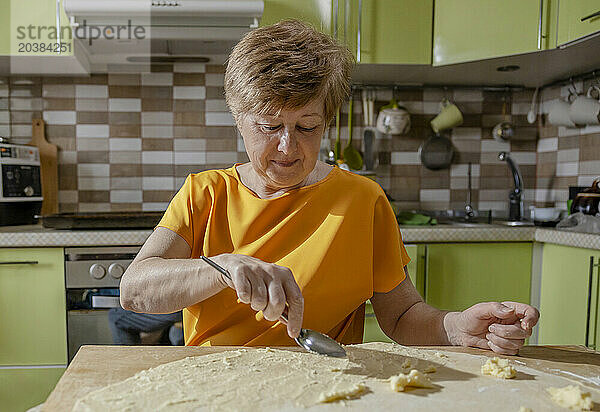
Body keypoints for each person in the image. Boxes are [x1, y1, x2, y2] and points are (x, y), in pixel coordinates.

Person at [120, 19, 539, 355]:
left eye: (307, 127)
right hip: (209, 385)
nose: (288, 147)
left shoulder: (362, 200)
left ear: (327, 122)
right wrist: (222, 267)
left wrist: (456, 327)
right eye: (269, 127)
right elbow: (135, 290)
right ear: (238, 117)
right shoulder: (204, 193)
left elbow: (402, 315)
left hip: (326, 389)